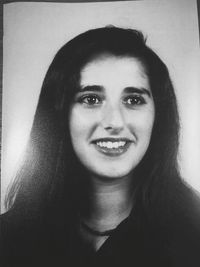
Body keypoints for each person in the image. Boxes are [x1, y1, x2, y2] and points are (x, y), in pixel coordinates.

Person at [1, 26, 200, 267]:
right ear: (60, 113)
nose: (114, 122)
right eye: (91, 99)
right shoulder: (9, 238)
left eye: (134, 100)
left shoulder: (193, 233)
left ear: (159, 116)